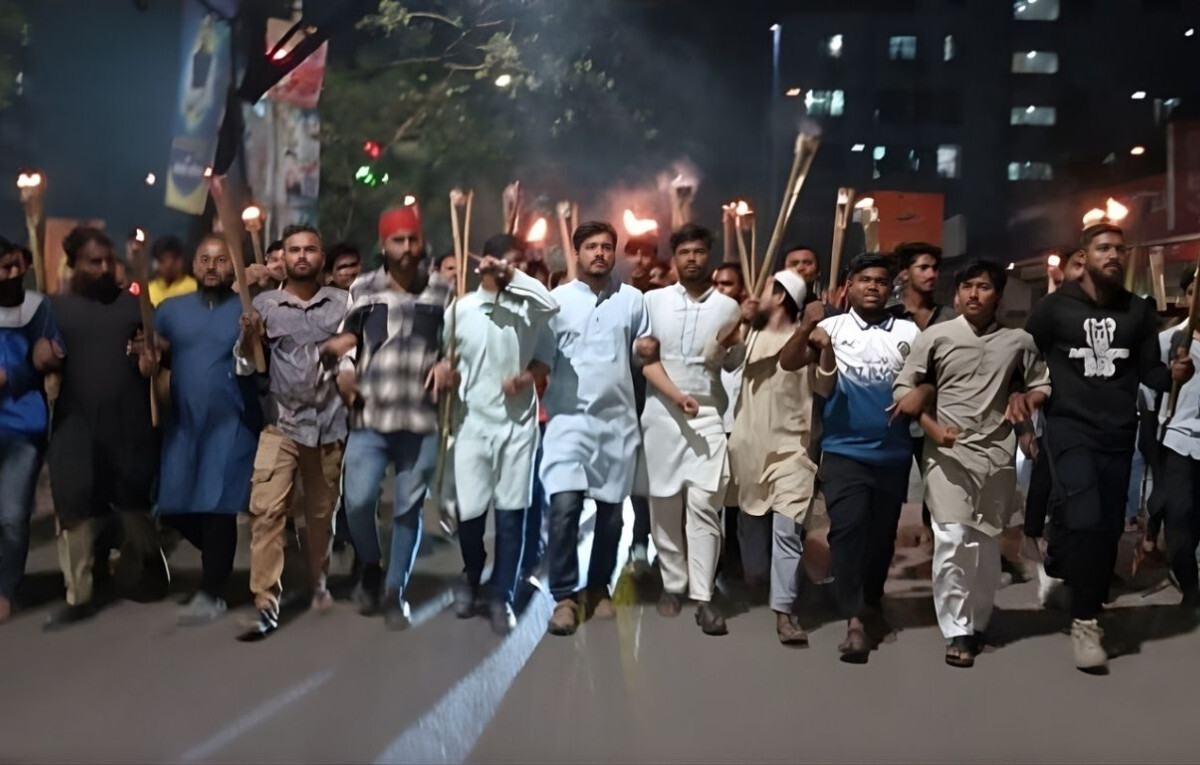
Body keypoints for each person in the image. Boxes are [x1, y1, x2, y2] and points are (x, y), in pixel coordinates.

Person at [1015, 223, 1192, 671]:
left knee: (1105, 526)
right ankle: (1087, 619)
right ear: (1085, 254)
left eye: (1119, 249)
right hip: (1069, 428)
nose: (1113, 255)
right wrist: (1024, 405)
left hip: (1118, 432)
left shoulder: (1138, 311)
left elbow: (1150, 374)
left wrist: (1175, 374)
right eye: (1104, 248)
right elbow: (1023, 360)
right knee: (1086, 514)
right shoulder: (1054, 308)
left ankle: (1058, 560)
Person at [892, 260, 1051, 668]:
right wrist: (931, 427)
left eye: (982, 287)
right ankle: (956, 628)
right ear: (957, 293)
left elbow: (1041, 384)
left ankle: (978, 620)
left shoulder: (1018, 340)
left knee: (982, 543)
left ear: (997, 295)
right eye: (966, 287)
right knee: (950, 538)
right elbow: (903, 387)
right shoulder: (936, 337)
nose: (973, 295)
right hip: (946, 455)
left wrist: (1026, 403)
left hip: (996, 455)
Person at [334, 205, 454, 630]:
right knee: (359, 501)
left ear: (422, 243)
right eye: (397, 241)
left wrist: (445, 366)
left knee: (408, 509)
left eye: (412, 240)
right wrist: (345, 372)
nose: (406, 249)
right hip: (370, 415)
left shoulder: (442, 290)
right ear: (383, 245)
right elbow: (348, 342)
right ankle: (371, 563)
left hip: (420, 421)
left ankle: (394, 590)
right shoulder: (363, 287)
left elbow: (454, 345)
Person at [45, 226, 166, 630]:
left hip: (127, 423)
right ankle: (78, 595)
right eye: (92, 262)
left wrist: (151, 355)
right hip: (74, 423)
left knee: (131, 499)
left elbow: (153, 346)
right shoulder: (53, 308)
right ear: (74, 263)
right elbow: (37, 351)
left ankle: (149, 564)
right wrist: (41, 353)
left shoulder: (132, 306)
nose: (102, 269)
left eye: (107, 261)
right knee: (75, 504)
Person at [538, 221, 651, 636]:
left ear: (614, 253)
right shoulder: (554, 301)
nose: (599, 253)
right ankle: (564, 596)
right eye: (591, 247)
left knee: (610, 517)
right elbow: (538, 356)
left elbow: (645, 355)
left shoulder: (634, 301)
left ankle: (598, 585)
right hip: (568, 420)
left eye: (606, 246)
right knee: (565, 508)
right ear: (578, 252)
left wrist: (650, 357)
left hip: (617, 423)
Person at [235, 224, 348, 640]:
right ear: (282, 257)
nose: (302, 256)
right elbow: (246, 366)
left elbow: (358, 354)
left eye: (310, 250)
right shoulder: (262, 305)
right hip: (280, 423)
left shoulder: (344, 303)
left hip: (330, 423)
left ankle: (317, 578)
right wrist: (251, 339)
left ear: (322, 257)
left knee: (319, 516)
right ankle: (265, 602)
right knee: (265, 512)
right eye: (294, 250)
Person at [806, 253, 918, 661]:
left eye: (881, 281)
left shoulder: (909, 332)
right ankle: (855, 617)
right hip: (841, 450)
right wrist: (808, 328)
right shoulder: (829, 328)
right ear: (848, 286)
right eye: (865, 279)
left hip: (892, 452)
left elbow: (927, 381)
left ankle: (871, 600)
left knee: (880, 537)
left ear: (890, 288)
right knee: (848, 531)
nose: (873, 286)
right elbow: (800, 371)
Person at [446, 233, 558, 635]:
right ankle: (471, 575)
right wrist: (446, 373)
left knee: (512, 517)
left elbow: (545, 357)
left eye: (519, 264)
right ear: (486, 261)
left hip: (518, 427)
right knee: (471, 513)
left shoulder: (532, 308)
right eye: (506, 262)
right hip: (472, 424)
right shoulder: (461, 309)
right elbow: (449, 361)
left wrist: (527, 377)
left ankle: (502, 595)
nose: (513, 270)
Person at [640, 224, 744, 636]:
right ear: (674, 258)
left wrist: (742, 333)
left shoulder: (730, 307)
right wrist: (676, 395)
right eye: (684, 252)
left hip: (709, 418)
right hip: (661, 415)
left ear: (710, 257)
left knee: (704, 506)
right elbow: (646, 360)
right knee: (664, 505)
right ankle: (673, 584)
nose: (692, 259)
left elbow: (732, 364)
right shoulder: (652, 302)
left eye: (699, 252)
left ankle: (703, 596)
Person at [155, 236, 263, 625]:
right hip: (184, 425)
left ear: (233, 267)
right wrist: (146, 355)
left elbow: (261, 361)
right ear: (194, 266)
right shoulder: (170, 310)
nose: (213, 266)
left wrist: (254, 334)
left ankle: (212, 589)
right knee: (174, 506)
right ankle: (217, 561)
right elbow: (153, 350)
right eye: (205, 259)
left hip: (232, 421)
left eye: (221, 259)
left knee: (218, 506)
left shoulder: (249, 308)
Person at [729, 270, 823, 645]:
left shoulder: (813, 339)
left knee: (787, 531)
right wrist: (740, 318)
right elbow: (717, 359)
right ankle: (757, 577)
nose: (759, 293)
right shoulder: (750, 335)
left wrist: (823, 343)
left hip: (795, 449)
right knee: (750, 521)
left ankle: (784, 612)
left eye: (768, 288)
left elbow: (825, 382)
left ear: (782, 296)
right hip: (750, 445)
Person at [0, 238, 65, 624]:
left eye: (15, 266)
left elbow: (49, 353)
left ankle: (6, 588)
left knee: (12, 514)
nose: (11, 274)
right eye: (3, 267)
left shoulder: (36, 308)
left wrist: (22, 368)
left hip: (22, 425)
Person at [1151, 268, 1200, 612]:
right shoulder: (1170, 342)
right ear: (1187, 296)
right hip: (1179, 441)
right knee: (1180, 518)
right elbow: (1148, 389)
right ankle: (1190, 583)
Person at [147, 235, 197, 307]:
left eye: (174, 259)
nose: (169, 265)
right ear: (155, 263)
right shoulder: (149, 290)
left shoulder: (194, 288)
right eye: (164, 259)